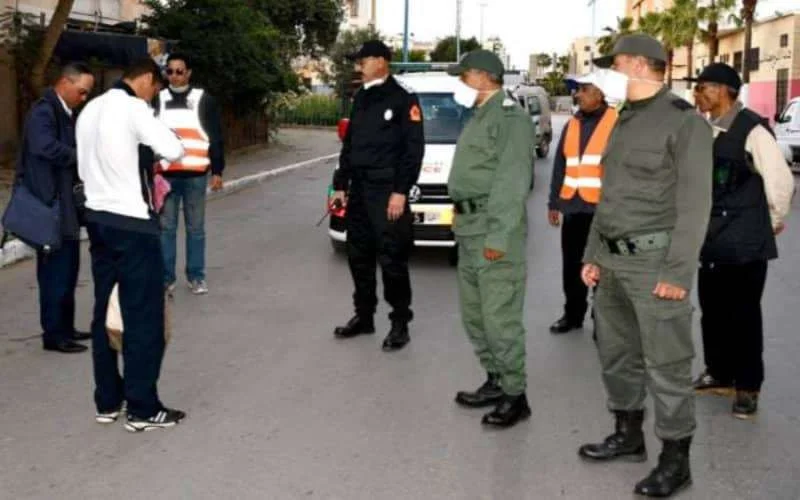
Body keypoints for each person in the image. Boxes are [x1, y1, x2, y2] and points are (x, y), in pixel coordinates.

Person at [577, 35, 713, 498]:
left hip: (655, 263)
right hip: (612, 260)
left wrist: (677, 274)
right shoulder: (623, 118)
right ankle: (628, 435)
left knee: (668, 366)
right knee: (617, 356)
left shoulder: (684, 122)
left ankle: (677, 462)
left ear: (637, 64)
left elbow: (695, 206)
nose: (607, 73)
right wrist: (593, 254)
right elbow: (610, 195)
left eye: (612, 64)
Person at [76, 57, 186, 432]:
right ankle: (142, 408)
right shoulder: (133, 107)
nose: (154, 95)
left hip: (97, 220)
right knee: (142, 317)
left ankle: (108, 401)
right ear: (147, 80)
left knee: (103, 312)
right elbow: (173, 150)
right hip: (132, 225)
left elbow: (81, 165)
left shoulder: (90, 108)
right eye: (156, 88)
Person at [688, 63, 794, 419]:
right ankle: (720, 373)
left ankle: (747, 387)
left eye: (702, 88)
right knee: (713, 312)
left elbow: (781, 183)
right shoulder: (706, 130)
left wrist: (772, 220)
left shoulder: (753, 131)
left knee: (744, 317)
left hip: (745, 245)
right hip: (712, 242)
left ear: (722, 91)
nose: (696, 94)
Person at [447, 50, 535, 428]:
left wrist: (498, 235)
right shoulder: (480, 115)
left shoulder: (510, 119)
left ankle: (516, 395)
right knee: (475, 316)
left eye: (463, 76)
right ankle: (495, 379)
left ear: (484, 77)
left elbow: (512, 182)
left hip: (493, 229)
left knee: (500, 318)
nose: (460, 84)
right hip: (468, 228)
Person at [329, 40, 425, 352]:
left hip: (387, 192)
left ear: (381, 61)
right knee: (359, 257)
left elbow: (413, 151)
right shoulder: (362, 98)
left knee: (392, 259)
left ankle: (400, 323)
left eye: (363, 61)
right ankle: (364, 316)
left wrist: (400, 192)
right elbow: (350, 146)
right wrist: (340, 184)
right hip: (359, 190)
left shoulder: (402, 99)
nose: (359, 66)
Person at [18, 63, 95, 353]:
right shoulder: (44, 111)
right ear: (64, 83)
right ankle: (54, 334)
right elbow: (43, 147)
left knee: (69, 269)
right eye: (81, 91)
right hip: (49, 204)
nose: (83, 97)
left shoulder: (64, 112)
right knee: (54, 273)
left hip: (65, 205)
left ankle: (66, 326)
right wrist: (79, 156)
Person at [548, 73, 616, 335]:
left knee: (603, 270)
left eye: (583, 89)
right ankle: (573, 314)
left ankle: (603, 320)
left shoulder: (616, 124)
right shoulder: (572, 124)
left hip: (602, 212)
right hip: (574, 210)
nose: (578, 95)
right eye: (577, 90)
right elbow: (560, 166)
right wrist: (554, 203)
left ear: (599, 93)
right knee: (572, 267)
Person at [155, 53, 225, 296]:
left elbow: (215, 136)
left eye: (179, 71)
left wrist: (217, 170)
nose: (174, 76)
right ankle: (166, 278)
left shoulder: (203, 99)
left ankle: (196, 276)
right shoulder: (158, 100)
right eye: (170, 71)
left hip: (196, 175)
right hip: (165, 176)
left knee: (196, 229)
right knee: (166, 229)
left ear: (189, 73)